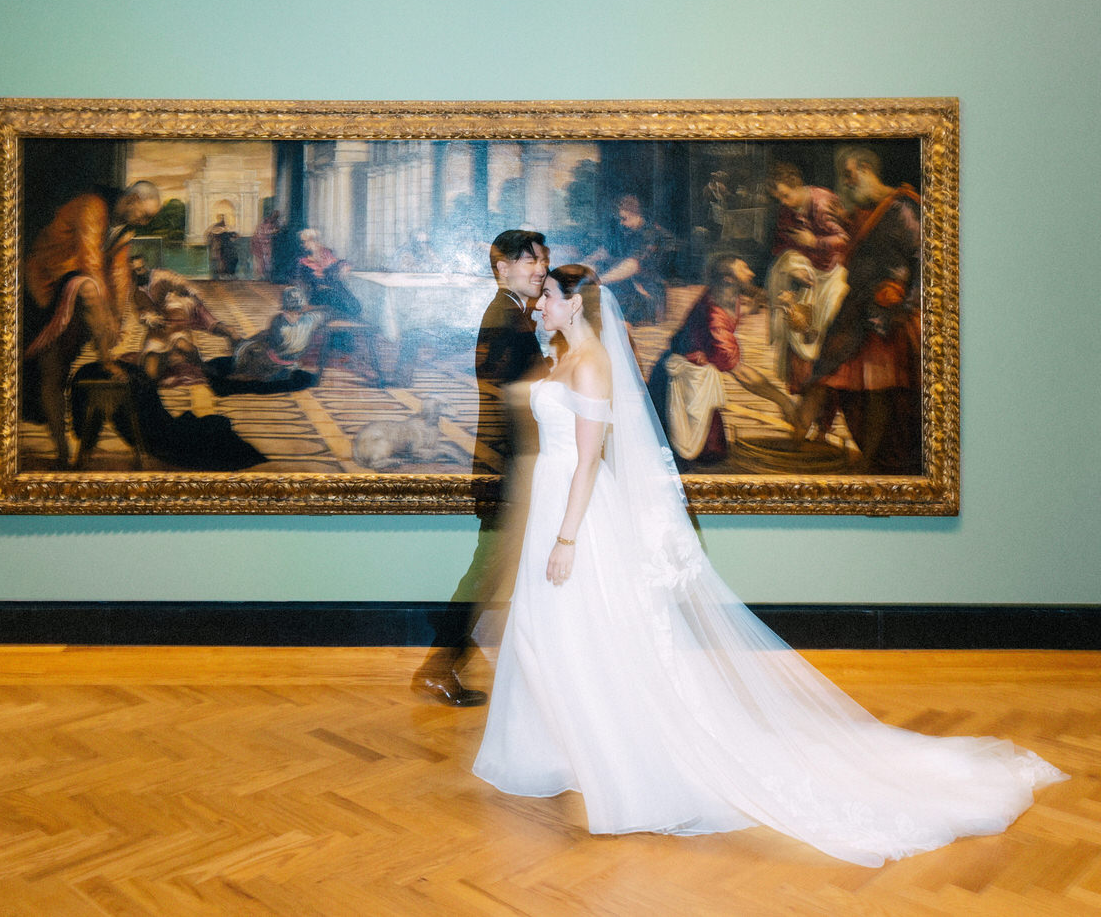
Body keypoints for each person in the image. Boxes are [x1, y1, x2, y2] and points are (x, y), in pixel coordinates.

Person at [473, 264, 1065, 867]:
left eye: (546, 295)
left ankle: (623, 763)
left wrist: (567, 538)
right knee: (548, 634)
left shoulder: (593, 362)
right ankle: (554, 752)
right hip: (555, 510)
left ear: (575, 305)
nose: (538, 303)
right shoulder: (565, 358)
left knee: (581, 636)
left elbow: (587, 461)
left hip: (577, 519)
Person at [411, 229, 551, 706]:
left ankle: (446, 655)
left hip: (506, 465)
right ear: (502, 268)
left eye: (542, 260)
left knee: (493, 570)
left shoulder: (513, 314)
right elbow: (508, 398)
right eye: (529, 260)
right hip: (507, 467)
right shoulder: (506, 317)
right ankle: (441, 661)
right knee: (489, 571)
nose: (540, 268)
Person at [793, 149, 922, 472]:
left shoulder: (904, 208)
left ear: (866, 169)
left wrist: (908, 304)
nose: (847, 185)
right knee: (823, 377)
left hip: (886, 310)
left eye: (849, 175)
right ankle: (792, 449)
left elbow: (922, 258)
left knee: (879, 391)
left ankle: (868, 462)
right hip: (855, 309)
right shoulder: (864, 211)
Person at [22, 180, 161, 467]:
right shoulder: (92, 206)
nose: (145, 222)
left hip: (74, 293)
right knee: (89, 288)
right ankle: (106, 360)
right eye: (145, 215)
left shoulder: (124, 231)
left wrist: (118, 317)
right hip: (47, 285)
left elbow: (121, 276)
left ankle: (63, 450)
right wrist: (106, 319)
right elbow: (90, 261)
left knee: (57, 369)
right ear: (133, 199)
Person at [648, 254, 796, 466]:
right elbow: (743, 374)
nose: (751, 273)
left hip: (697, 379)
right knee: (692, 454)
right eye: (744, 269)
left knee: (712, 450)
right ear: (729, 279)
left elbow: (745, 308)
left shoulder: (724, 295)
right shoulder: (715, 320)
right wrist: (784, 402)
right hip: (682, 384)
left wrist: (776, 303)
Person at [764, 163, 851, 413]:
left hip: (833, 274)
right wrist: (794, 266)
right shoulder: (786, 211)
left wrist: (815, 241)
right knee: (798, 329)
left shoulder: (822, 202)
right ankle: (805, 403)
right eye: (778, 197)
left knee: (827, 338)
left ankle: (824, 409)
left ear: (797, 185)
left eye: (785, 194)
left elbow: (845, 239)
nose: (783, 201)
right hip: (807, 275)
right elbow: (781, 246)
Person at [130, 254, 239, 385]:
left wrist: (190, 294)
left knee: (211, 328)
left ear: (146, 265)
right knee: (152, 367)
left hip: (180, 312)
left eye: (142, 268)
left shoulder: (160, 276)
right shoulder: (137, 292)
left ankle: (217, 362)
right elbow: (142, 314)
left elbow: (181, 283)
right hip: (161, 329)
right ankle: (169, 358)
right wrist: (150, 319)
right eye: (136, 270)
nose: (141, 272)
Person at [587, 194, 667, 325]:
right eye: (620, 219)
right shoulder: (625, 230)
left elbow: (632, 265)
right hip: (627, 285)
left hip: (646, 292)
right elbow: (606, 251)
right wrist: (584, 265)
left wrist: (599, 280)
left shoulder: (650, 234)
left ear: (635, 214)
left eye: (624, 218)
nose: (621, 222)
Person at [295, 227, 362, 318]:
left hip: (334, 287)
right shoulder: (304, 261)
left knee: (355, 306)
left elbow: (338, 263)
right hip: (320, 292)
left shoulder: (326, 253)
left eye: (306, 241)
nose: (304, 244)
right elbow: (306, 282)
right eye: (303, 242)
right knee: (345, 304)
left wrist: (344, 266)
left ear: (313, 241)